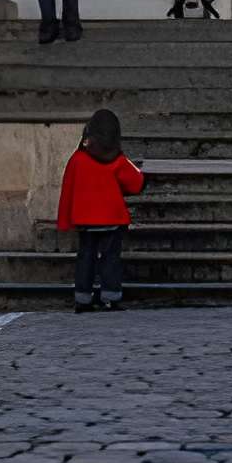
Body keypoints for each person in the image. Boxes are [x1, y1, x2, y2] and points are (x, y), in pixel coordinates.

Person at [57, 106, 144, 312]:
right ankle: (111, 297)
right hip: (112, 218)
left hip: (85, 220)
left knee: (85, 257)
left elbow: (67, 190)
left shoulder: (77, 159)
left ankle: (83, 299)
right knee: (110, 258)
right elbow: (136, 183)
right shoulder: (117, 160)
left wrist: (65, 220)